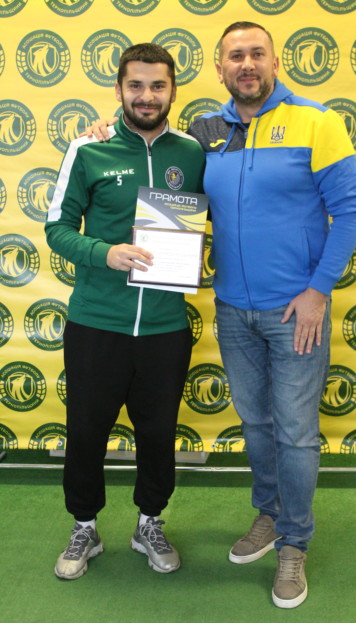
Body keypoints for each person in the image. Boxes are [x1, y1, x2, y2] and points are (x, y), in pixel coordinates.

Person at [87, 22, 356, 609]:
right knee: (258, 425)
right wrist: (104, 128)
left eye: (257, 53)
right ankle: (268, 514)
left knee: (295, 432)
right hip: (233, 309)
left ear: (274, 62)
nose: (247, 64)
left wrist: (318, 291)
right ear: (219, 68)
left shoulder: (318, 121)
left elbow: (351, 211)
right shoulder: (205, 133)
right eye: (235, 55)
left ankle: (294, 543)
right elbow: (155, 157)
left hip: (297, 311)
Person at [45, 43, 205, 581]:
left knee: (158, 435)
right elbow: (57, 229)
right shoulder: (88, 149)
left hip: (165, 327)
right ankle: (84, 527)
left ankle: (149, 523)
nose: (146, 96)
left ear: (172, 90)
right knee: (86, 433)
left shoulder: (193, 151)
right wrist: (104, 253)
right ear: (119, 89)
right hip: (97, 323)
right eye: (135, 85)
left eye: (157, 85)